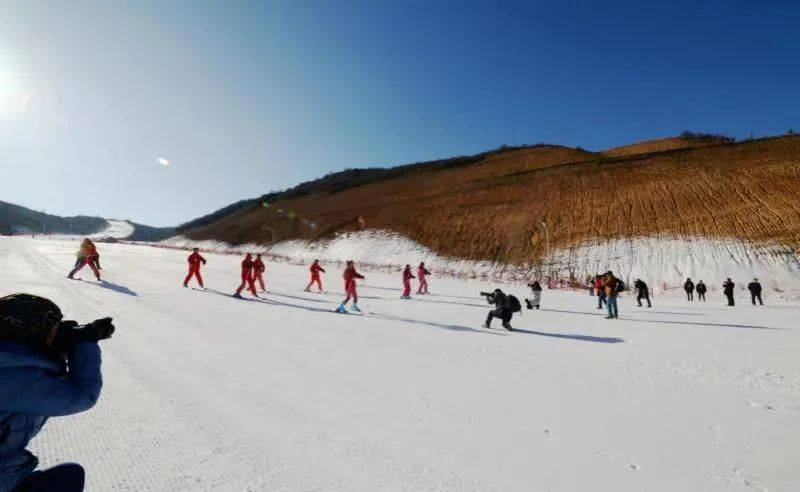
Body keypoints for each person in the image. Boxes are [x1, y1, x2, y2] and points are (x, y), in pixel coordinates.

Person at [0, 294, 115, 492]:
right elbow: (82, 395)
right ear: (30, 334)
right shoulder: (13, 377)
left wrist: (54, 343)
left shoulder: (9, 361)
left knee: (67, 476)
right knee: (67, 479)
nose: (54, 337)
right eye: (51, 332)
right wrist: (84, 343)